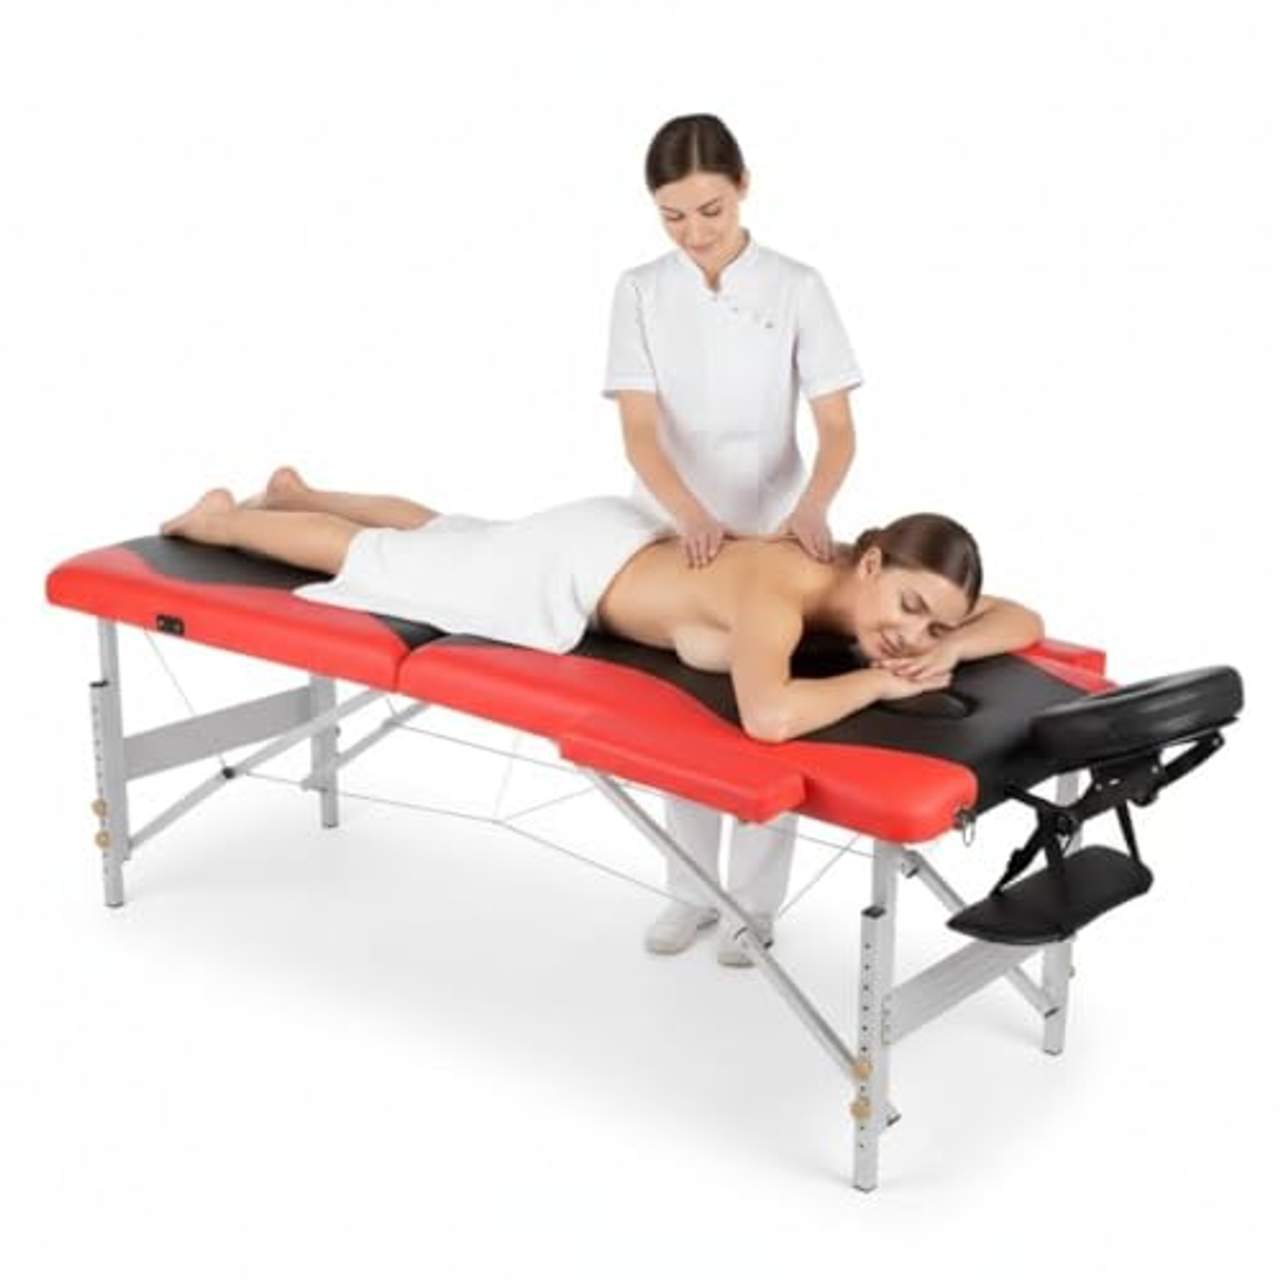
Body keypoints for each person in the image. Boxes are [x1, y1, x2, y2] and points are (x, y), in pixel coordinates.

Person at [159, 467, 1044, 879]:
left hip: (616, 537)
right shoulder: (779, 592)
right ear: (872, 563)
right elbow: (769, 718)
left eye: (935, 622)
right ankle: (220, 520)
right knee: (383, 561)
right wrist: (880, 683)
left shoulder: (864, 581)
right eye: (910, 608)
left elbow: (1023, 619)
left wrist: (950, 648)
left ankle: (298, 490)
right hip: (571, 574)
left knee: (455, 533)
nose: (910, 632)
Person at [603, 114, 864, 960]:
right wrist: (688, 514)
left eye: (710, 210)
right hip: (675, 535)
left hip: (775, 533)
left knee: (761, 718)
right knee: (682, 711)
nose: (694, 232)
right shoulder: (641, 291)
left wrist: (813, 507)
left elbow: (836, 428)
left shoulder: (797, 287)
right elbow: (640, 431)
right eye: (673, 216)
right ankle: (689, 892)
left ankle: (753, 908)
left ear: (743, 186)